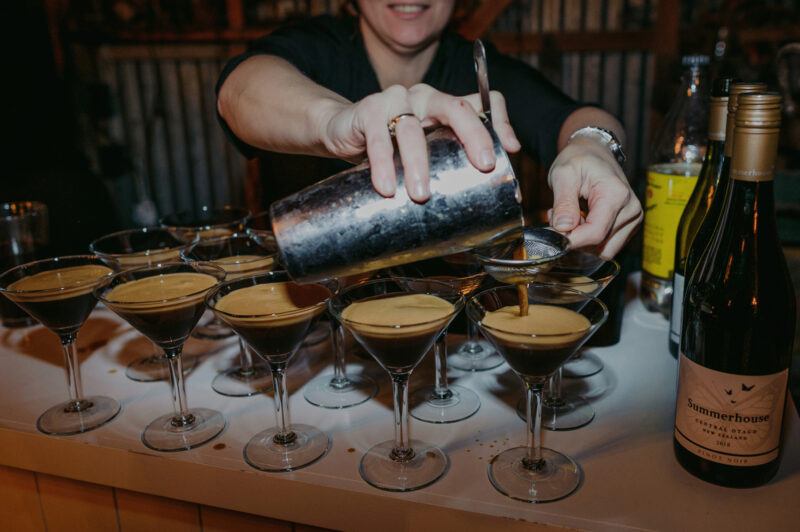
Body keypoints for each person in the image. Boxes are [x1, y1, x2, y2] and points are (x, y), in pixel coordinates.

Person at [216, 0, 642, 259]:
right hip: (317, 331)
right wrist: (334, 121)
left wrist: (594, 144)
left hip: (444, 333)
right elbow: (239, 89)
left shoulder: (476, 69)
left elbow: (572, 116)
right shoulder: (318, 46)